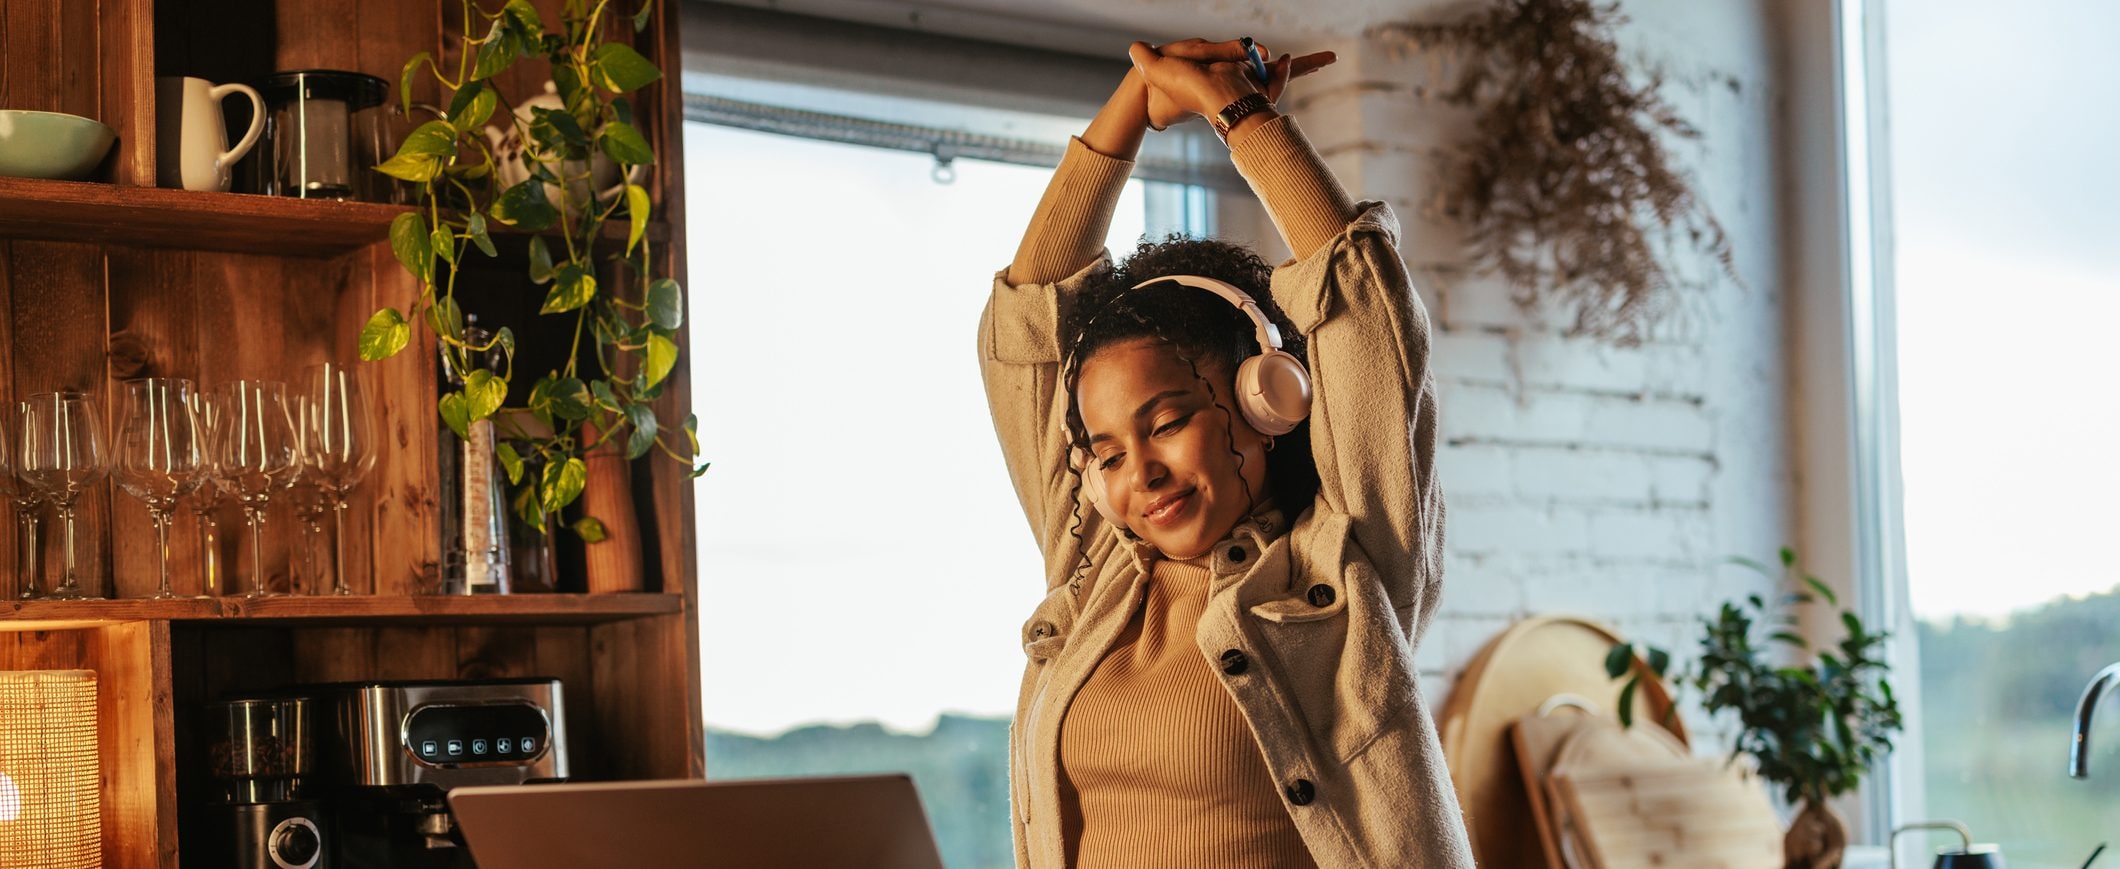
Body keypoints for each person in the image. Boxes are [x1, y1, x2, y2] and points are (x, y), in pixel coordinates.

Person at [978, 37, 1477, 868]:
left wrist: (1242, 117)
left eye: (1167, 420)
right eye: (1106, 451)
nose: (1139, 472)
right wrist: (1135, 101)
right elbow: (1025, 325)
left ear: (1264, 399)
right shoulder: (1091, 562)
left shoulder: (1344, 568)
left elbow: (1363, 310)